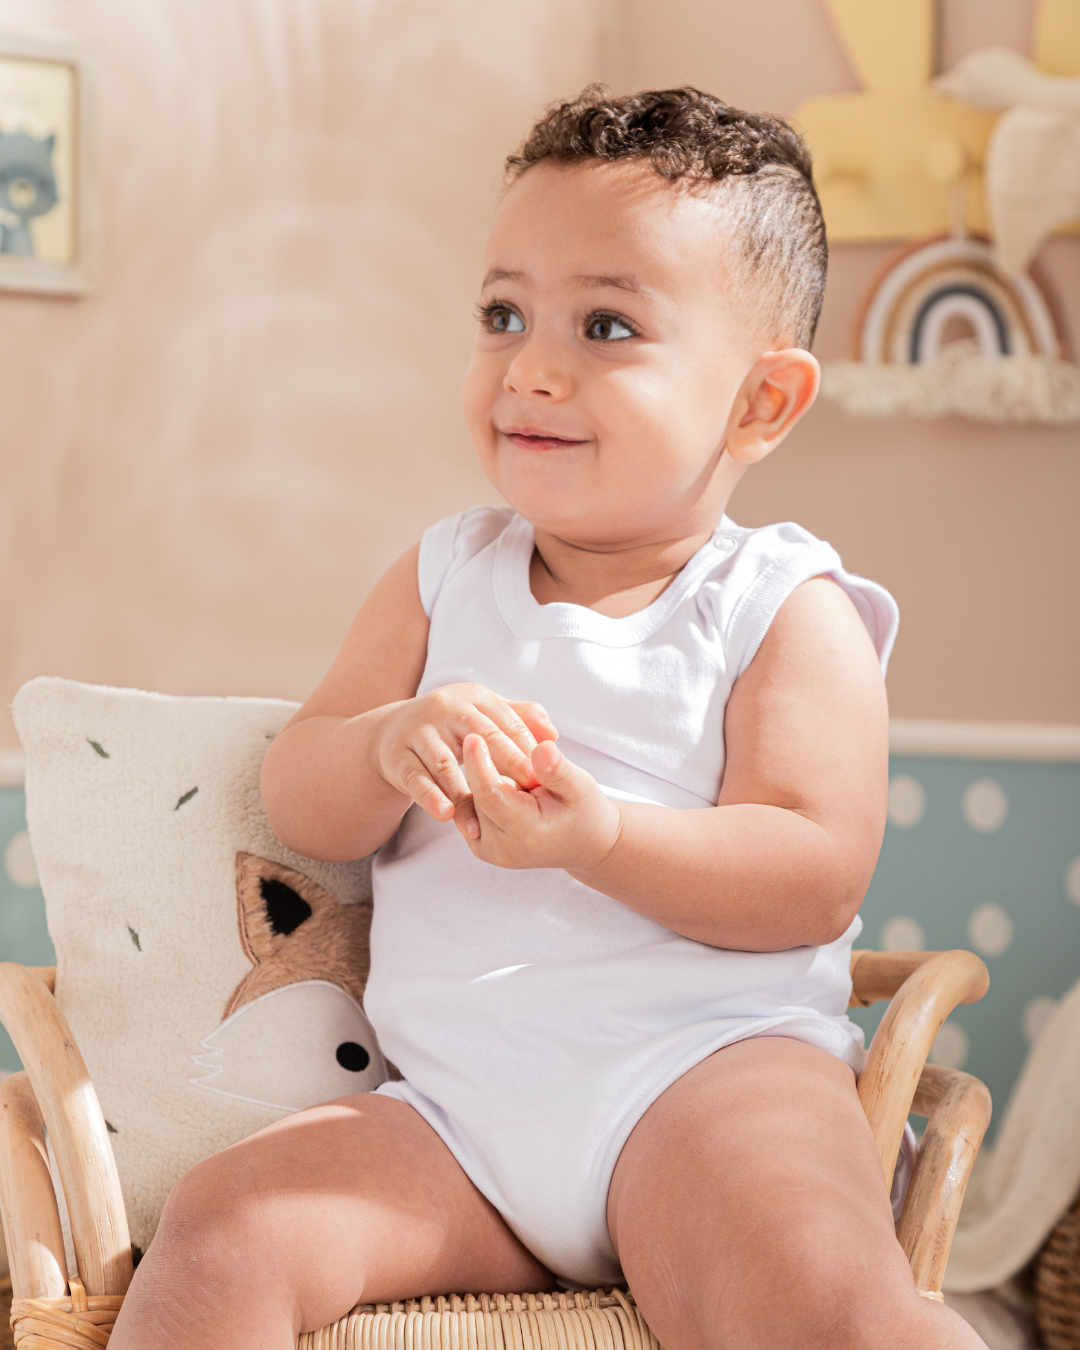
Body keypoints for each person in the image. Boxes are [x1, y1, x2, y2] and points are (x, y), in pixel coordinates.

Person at [111, 87, 988, 1350]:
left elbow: (811, 875)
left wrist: (603, 839)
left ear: (762, 404)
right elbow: (298, 796)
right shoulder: (440, 578)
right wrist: (380, 742)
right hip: (458, 1116)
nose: (531, 364)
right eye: (503, 312)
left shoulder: (780, 606)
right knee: (222, 1228)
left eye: (608, 324)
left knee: (813, 1293)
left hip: (705, 1084)